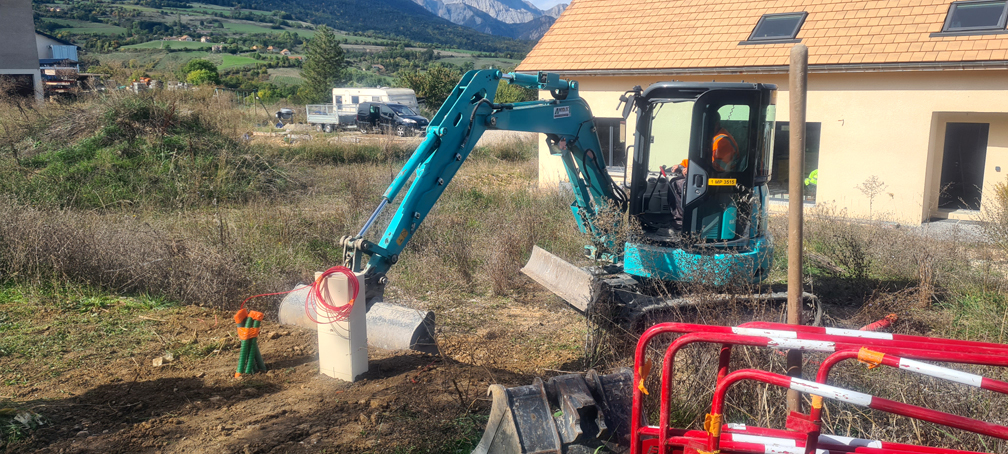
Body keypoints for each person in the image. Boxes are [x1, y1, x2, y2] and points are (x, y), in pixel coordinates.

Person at [667, 111, 739, 228]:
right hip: (713, 176)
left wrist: (690, 169)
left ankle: (680, 223)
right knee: (675, 181)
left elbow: (716, 166)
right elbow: (703, 159)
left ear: (714, 124)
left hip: (720, 180)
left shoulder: (722, 141)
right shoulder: (715, 138)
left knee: (677, 184)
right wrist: (683, 165)